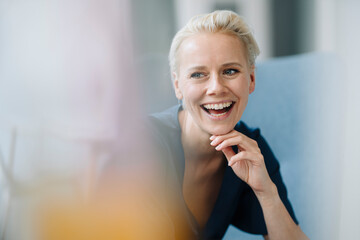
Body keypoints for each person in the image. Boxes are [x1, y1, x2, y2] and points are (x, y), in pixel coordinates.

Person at [149, 10, 309, 240]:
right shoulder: (145, 145)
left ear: (251, 79)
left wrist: (267, 193)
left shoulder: (250, 151)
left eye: (230, 71)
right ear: (177, 85)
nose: (216, 87)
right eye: (198, 74)